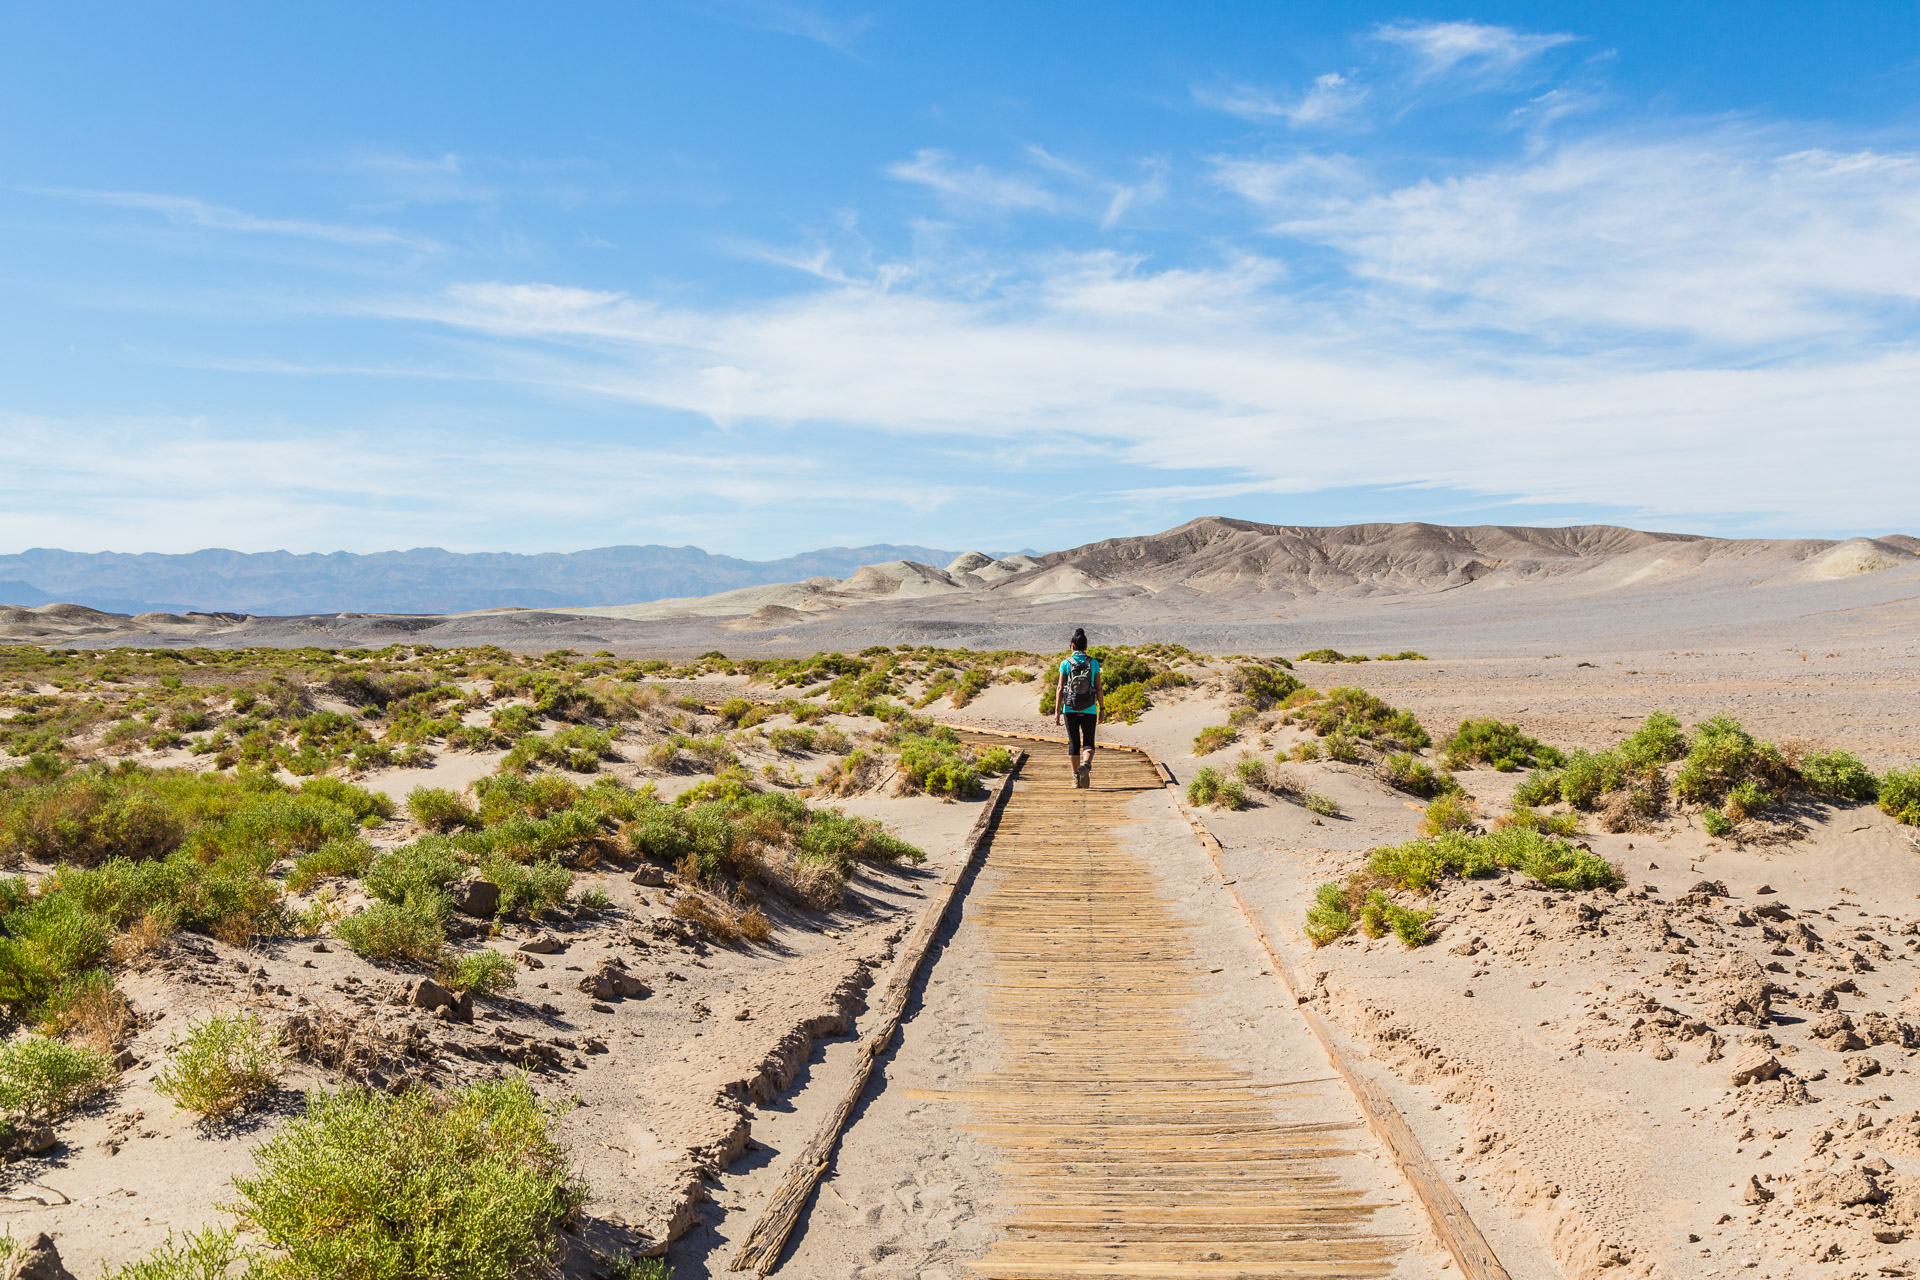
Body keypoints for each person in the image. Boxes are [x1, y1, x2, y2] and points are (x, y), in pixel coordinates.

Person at [1053, 628, 1101, 788]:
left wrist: (1057, 711)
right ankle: (1086, 765)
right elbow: (1099, 688)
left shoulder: (1065, 663)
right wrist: (1102, 708)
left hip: (1070, 707)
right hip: (1090, 707)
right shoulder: (1093, 663)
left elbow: (1060, 688)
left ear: (1072, 646)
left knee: (1073, 743)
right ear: (1086, 646)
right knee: (1088, 741)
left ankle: (1075, 778)